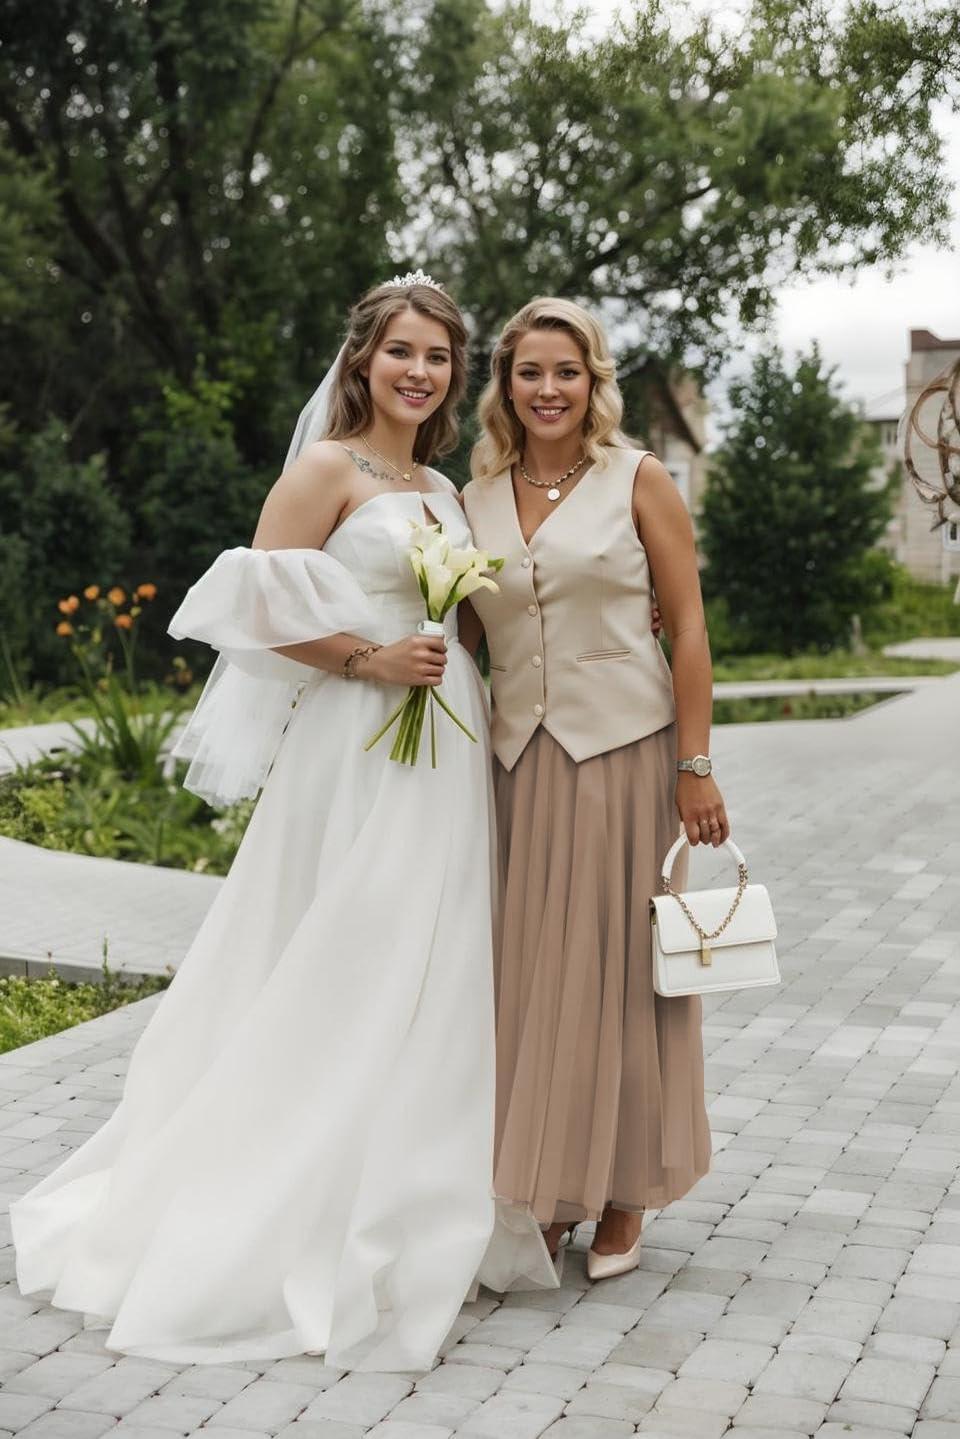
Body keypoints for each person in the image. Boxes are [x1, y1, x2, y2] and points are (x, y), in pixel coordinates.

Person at [11, 273, 552, 1372]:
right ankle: (289, 1193)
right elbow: (251, 612)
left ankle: (415, 1185)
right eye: (401, 350)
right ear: (363, 359)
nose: (419, 371)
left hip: (444, 738)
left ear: (455, 374)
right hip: (355, 740)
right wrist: (370, 658)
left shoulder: (444, 485)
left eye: (438, 356)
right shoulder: (325, 470)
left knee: (434, 955)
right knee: (344, 947)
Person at [461, 297, 724, 1282]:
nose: (548, 389)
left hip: (625, 755)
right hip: (518, 765)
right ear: (505, 384)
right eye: (529, 371)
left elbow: (687, 627)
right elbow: (461, 635)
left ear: (593, 380)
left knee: (625, 975)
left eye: (566, 371)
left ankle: (625, 1189)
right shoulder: (475, 497)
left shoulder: (639, 478)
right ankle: (554, 1186)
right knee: (536, 981)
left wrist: (695, 765)